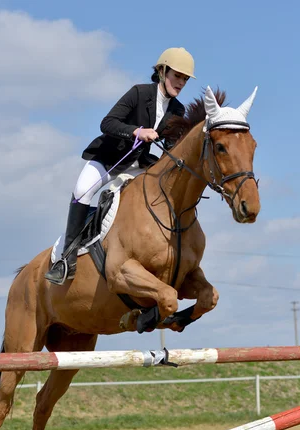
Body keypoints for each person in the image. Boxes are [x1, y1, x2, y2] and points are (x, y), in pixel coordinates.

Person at [45, 47, 196, 285]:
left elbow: (170, 145)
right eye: (177, 76)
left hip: (139, 165)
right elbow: (107, 123)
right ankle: (66, 259)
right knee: (81, 191)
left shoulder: (178, 110)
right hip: (109, 159)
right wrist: (137, 131)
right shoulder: (138, 93)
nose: (181, 83)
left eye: (185, 79)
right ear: (162, 70)